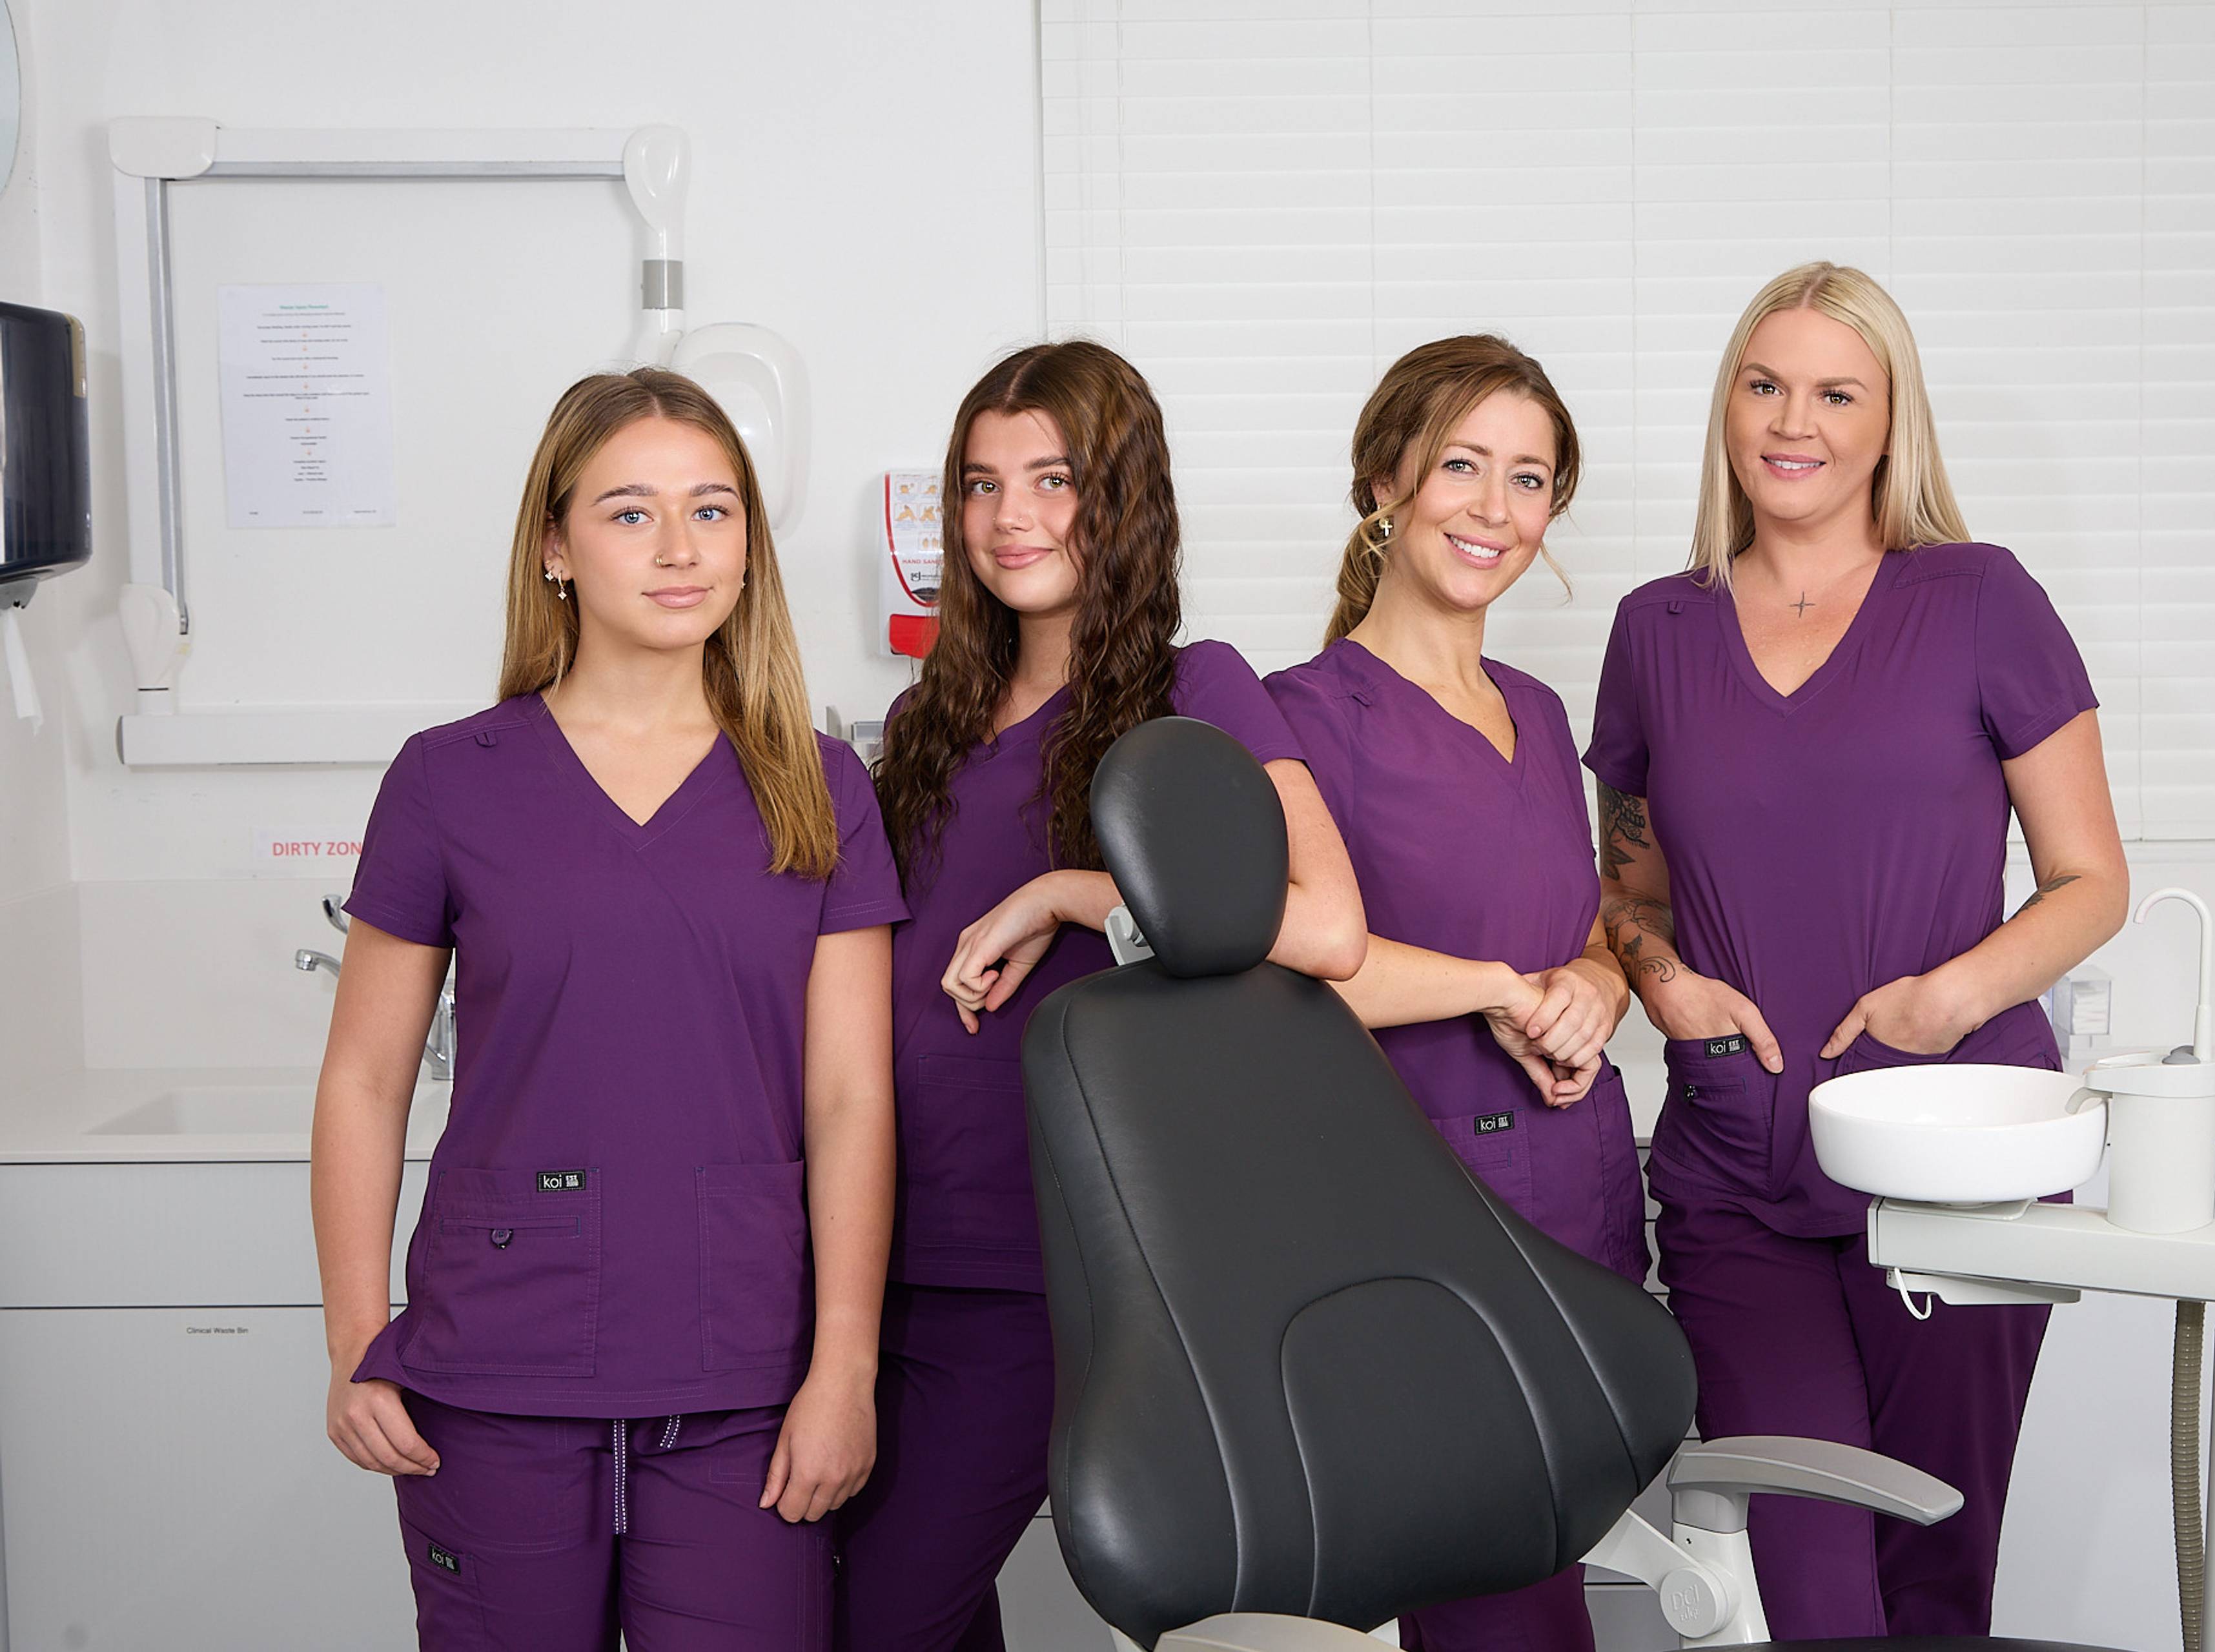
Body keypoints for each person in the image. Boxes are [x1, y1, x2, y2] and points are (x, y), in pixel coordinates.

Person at [310, 369, 906, 1649]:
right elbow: (364, 1077)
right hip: (494, 1370)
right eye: (631, 512)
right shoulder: (445, 783)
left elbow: (852, 1095)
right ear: (555, 546)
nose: (683, 548)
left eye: (715, 508)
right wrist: (358, 1330)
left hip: (744, 1371)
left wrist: (844, 1362)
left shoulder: (820, 784)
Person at [1586, 262, 2128, 1638]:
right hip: (1739, 1176)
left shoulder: (1981, 598)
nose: (1793, 421)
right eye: (1763, 385)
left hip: (1956, 1166)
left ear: (1893, 421)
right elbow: (1626, 893)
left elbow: (2089, 879)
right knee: (1809, 1587)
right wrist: (1666, 982)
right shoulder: (1659, 627)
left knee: (1937, 1580)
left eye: (1837, 391)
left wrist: (1953, 996)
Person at [841, 339, 1366, 1651]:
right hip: (885, 1251)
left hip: (1050, 1260)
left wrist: (1069, 895)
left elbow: (1329, 928)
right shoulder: (925, 727)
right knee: (910, 1607)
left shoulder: (1200, 695)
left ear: (1122, 498)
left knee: (880, 1612)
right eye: (981, 482)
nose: (1011, 516)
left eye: (1054, 478)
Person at [1267, 334, 1649, 1652]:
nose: (1495, 508)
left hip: (1580, 1215)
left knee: (1550, 1591)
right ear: (1384, 482)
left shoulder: (1540, 713)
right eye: (1460, 467)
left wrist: (1600, 982)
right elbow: (1287, 963)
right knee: (1502, 1613)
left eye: (1529, 479)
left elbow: (1579, 922)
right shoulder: (1299, 717)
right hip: (1420, 1235)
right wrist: (1492, 988)